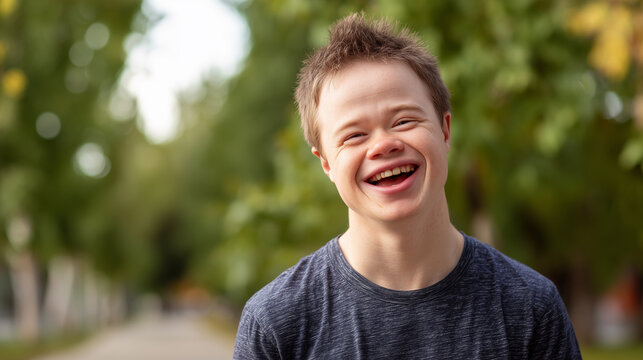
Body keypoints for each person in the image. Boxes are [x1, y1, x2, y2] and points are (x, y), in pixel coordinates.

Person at [233, 13, 581, 359]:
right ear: (325, 162)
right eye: (354, 135)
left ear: (445, 131)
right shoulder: (276, 325)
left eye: (404, 120)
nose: (383, 144)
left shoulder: (532, 309)